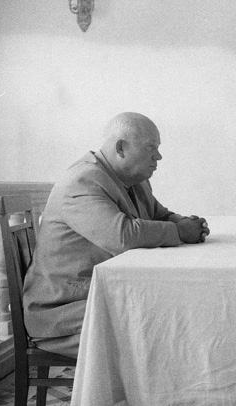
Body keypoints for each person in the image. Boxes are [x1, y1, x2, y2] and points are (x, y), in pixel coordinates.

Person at [22, 112, 210, 358]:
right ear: (121, 147)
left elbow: (160, 215)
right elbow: (123, 236)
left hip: (102, 295)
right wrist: (181, 232)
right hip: (63, 311)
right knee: (166, 325)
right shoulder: (82, 180)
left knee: (174, 313)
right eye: (151, 147)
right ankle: (152, 395)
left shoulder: (135, 180)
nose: (159, 156)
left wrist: (183, 223)